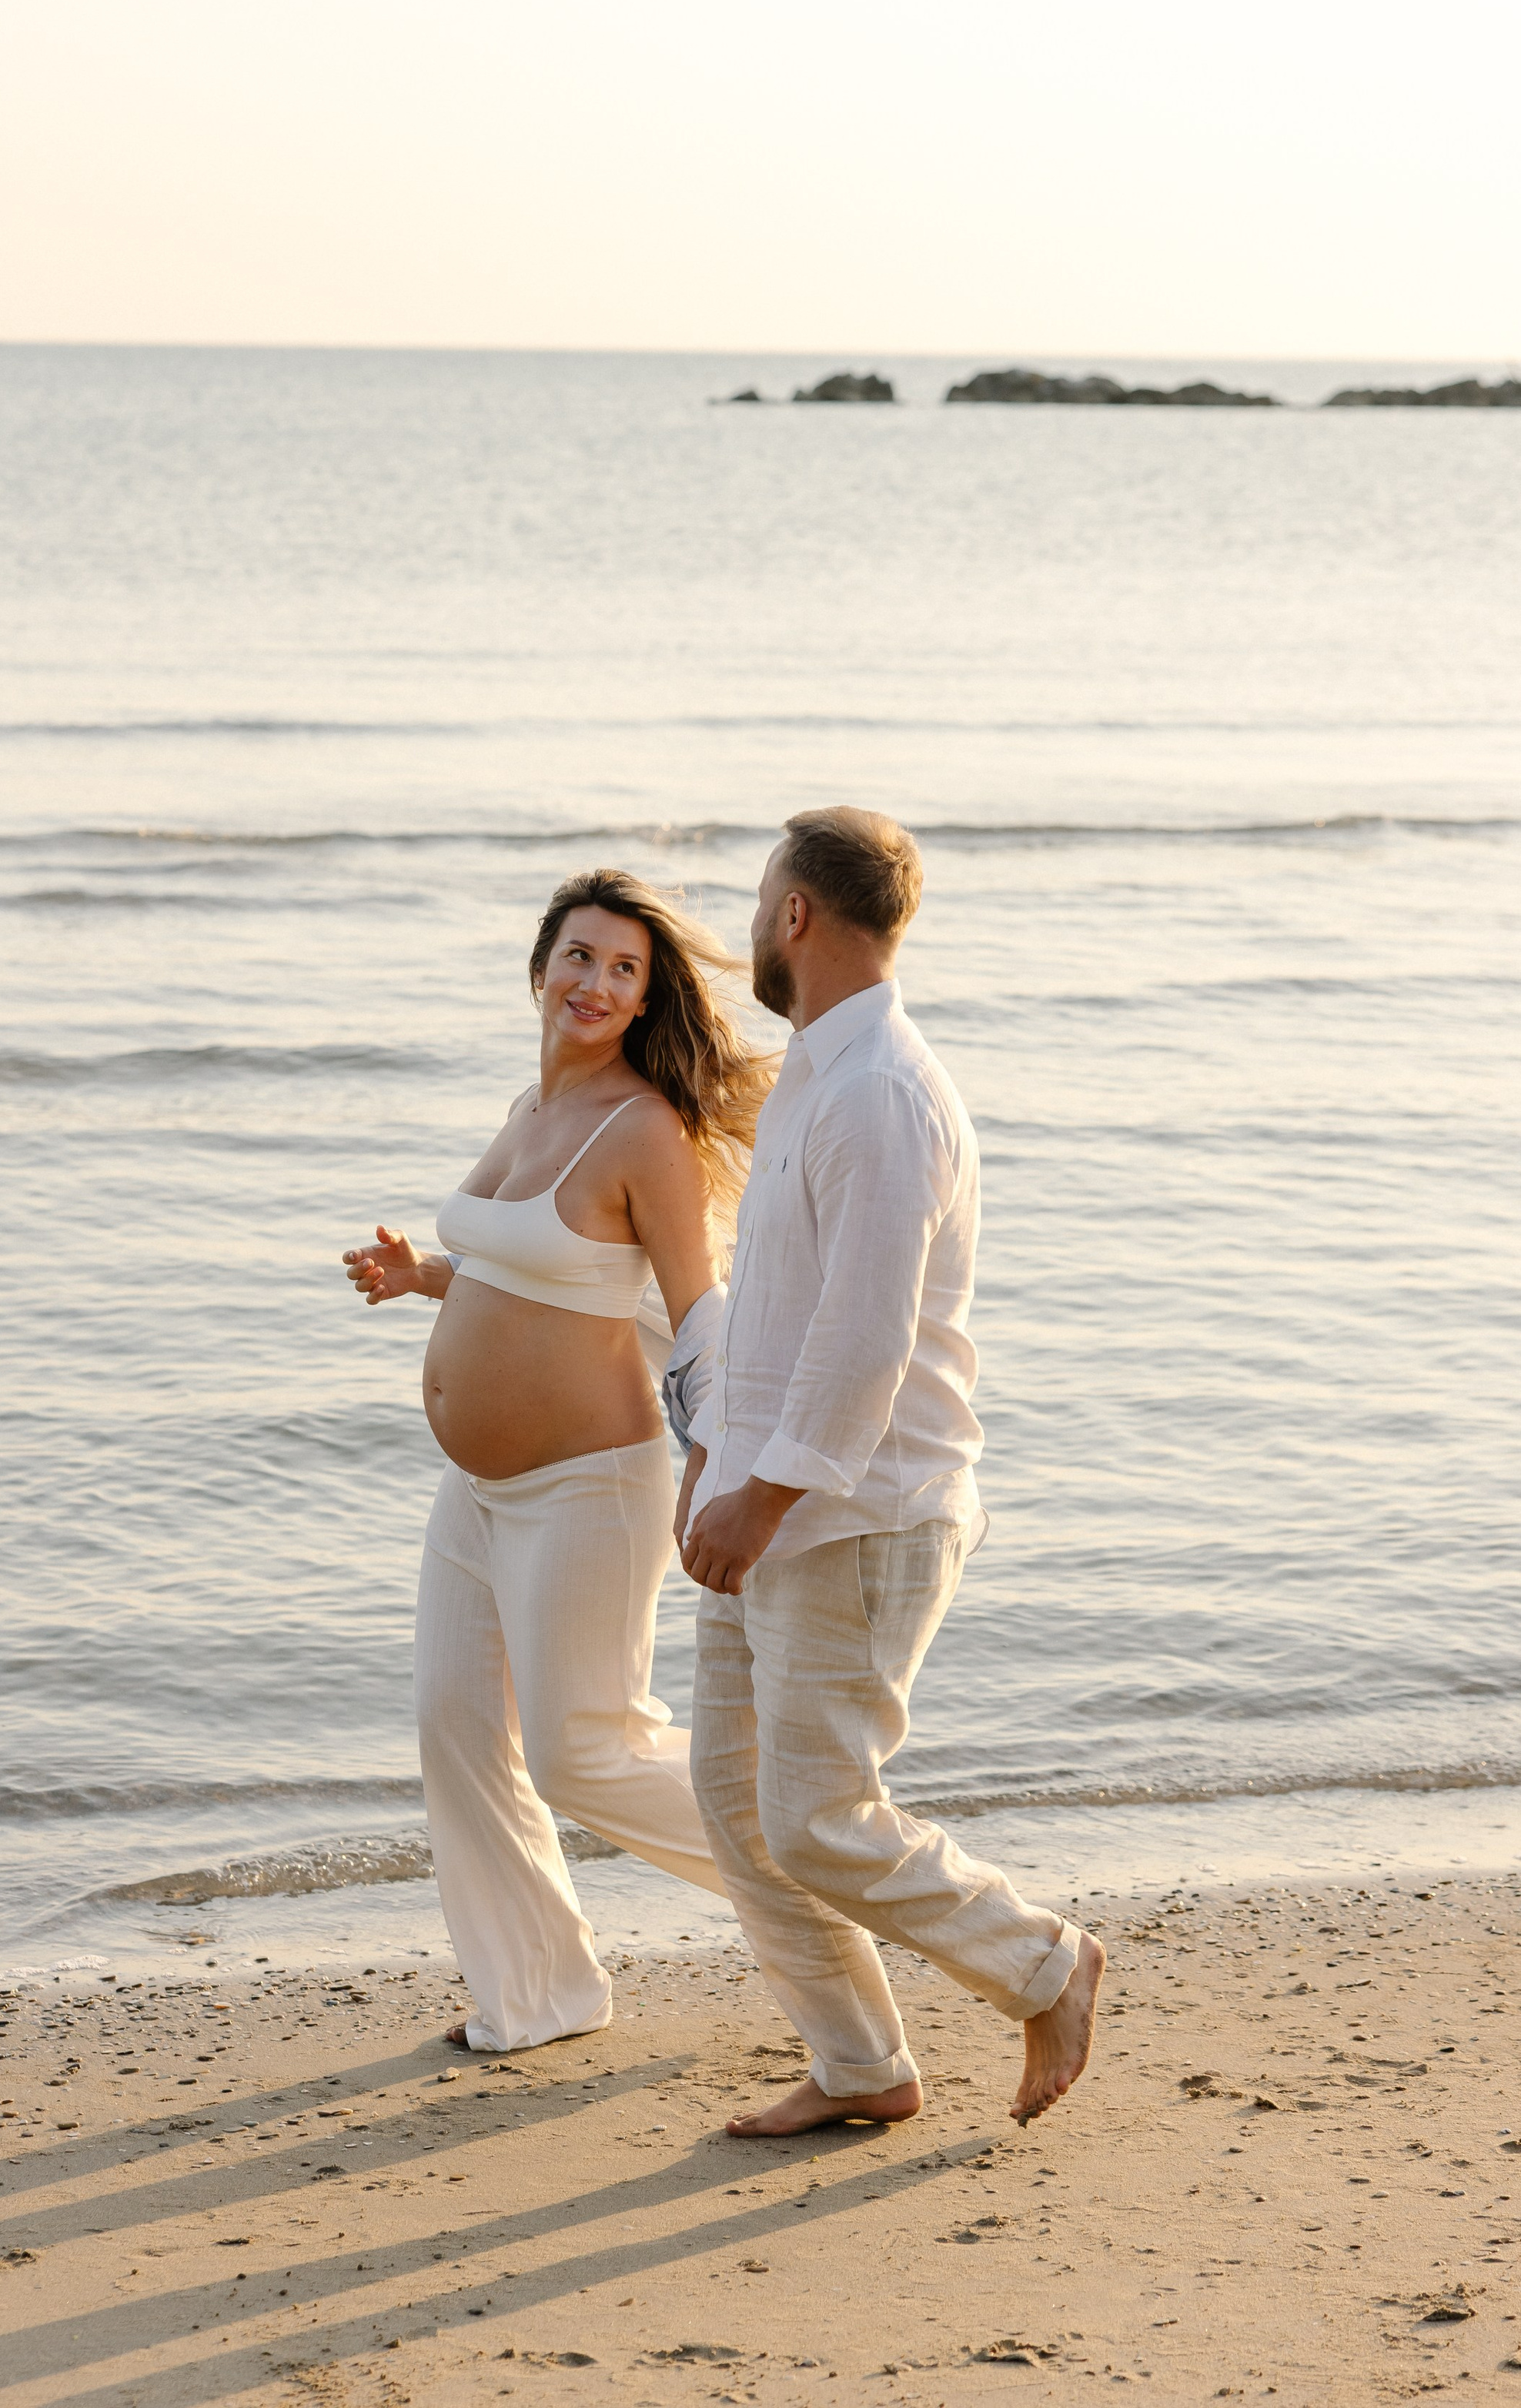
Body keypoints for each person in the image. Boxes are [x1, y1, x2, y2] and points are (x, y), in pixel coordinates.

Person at [677, 807, 1105, 2133]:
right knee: (736, 1800)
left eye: (760, 898)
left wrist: (766, 1490)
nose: (751, 922)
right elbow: (781, 1303)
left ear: (797, 913)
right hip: (770, 1500)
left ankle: (1045, 1958)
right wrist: (711, 1444)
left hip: (857, 1513)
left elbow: (866, 1332)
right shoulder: (816, 1069)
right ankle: (862, 2062)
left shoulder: (882, 1091)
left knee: (812, 1813)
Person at [343, 868, 770, 2054]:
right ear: (540, 969)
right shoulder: (532, 1109)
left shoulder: (645, 1130)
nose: (596, 982)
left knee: (586, 1753)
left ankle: (816, 1867)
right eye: (580, 956)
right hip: (476, 1492)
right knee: (456, 1727)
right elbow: (530, 1267)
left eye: (624, 969)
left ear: (642, 1001)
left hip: (589, 1488)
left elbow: (699, 1316)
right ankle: (540, 1993)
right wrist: (423, 1277)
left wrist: (717, 1460)